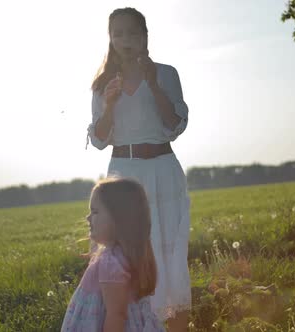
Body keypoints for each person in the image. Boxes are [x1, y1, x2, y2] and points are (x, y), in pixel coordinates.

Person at [86, 7, 191, 331]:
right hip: (124, 173)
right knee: (128, 250)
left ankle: (176, 323)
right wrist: (110, 106)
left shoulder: (166, 73)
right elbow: (100, 139)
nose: (125, 39)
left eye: (132, 33)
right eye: (118, 34)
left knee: (170, 249)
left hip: (162, 167)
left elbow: (175, 124)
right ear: (111, 39)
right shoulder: (102, 84)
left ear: (145, 36)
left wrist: (153, 85)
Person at [60, 177, 164, 331]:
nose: (87, 218)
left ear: (119, 219)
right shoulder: (129, 255)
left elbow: (116, 315)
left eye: (95, 211)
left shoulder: (110, 262)